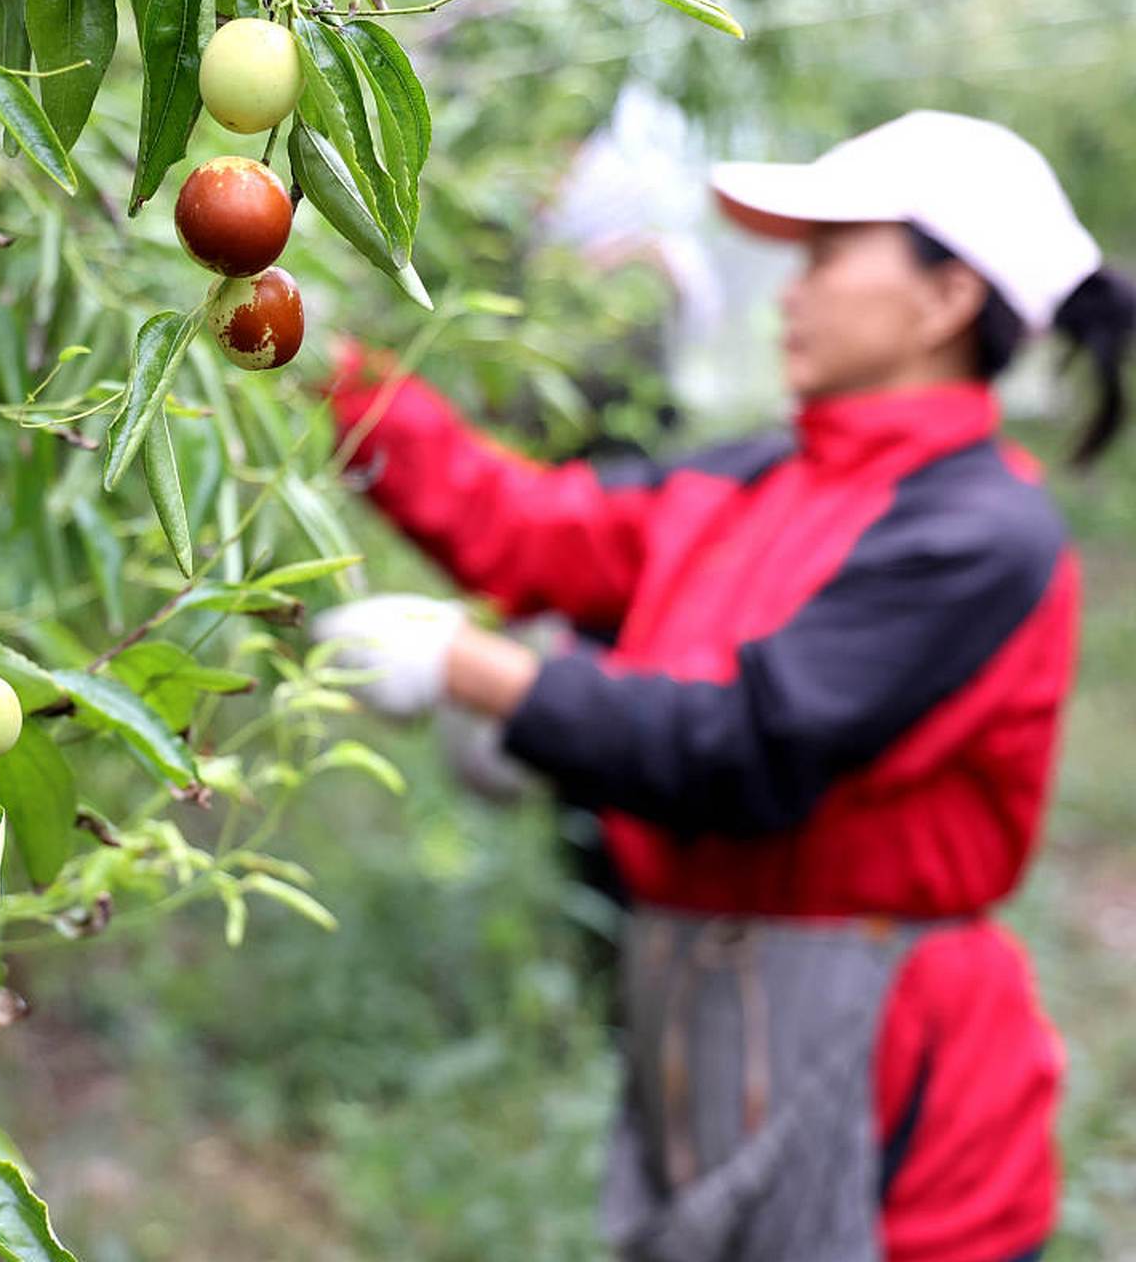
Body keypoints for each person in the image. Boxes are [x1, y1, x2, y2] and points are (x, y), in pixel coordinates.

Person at [311, 110, 1136, 1261]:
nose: (792, 292)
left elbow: (750, 750)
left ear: (948, 299)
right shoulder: (761, 476)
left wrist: (492, 677)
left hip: (889, 1075)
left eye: (829, 257)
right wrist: (332, 374)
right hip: (705, 999)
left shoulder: (975, 534)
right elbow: (538, 532)